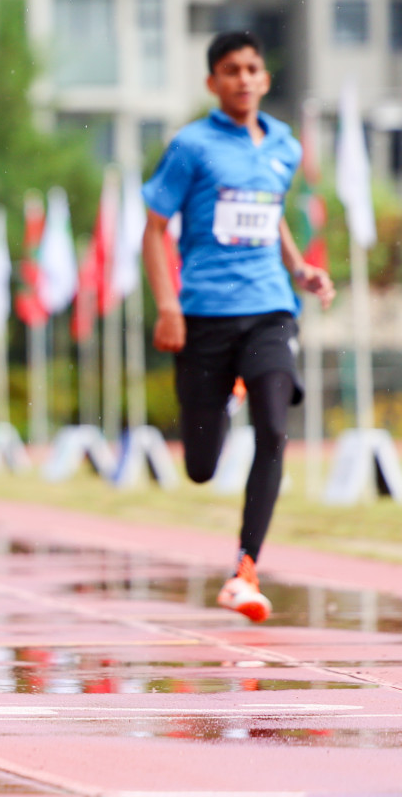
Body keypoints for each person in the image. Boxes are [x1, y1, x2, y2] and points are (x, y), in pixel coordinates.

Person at [142, 31, 334, 623]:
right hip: (203, 314)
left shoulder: (284, 145)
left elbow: (270, 214)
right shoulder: (191, 146)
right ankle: (227, 392)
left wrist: (299, 267)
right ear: (212, 83)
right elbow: (153, 230)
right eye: (230, 70)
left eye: (252, 68)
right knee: (201, 466)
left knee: (275, 428)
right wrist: (169, 306)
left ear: (265, 78)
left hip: (270, 307)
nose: (243, 79)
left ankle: (245, 569)